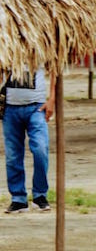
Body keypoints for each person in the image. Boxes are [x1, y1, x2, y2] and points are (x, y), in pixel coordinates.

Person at [2, 68, 55, 213]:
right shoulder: (7, 46)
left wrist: (52, 99)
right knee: (12, 156)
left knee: (40, 149)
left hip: (36, 107)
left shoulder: (41, 46)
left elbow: (55, 68)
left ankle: (40, 195)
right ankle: (18, 199)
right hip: (10, 107)